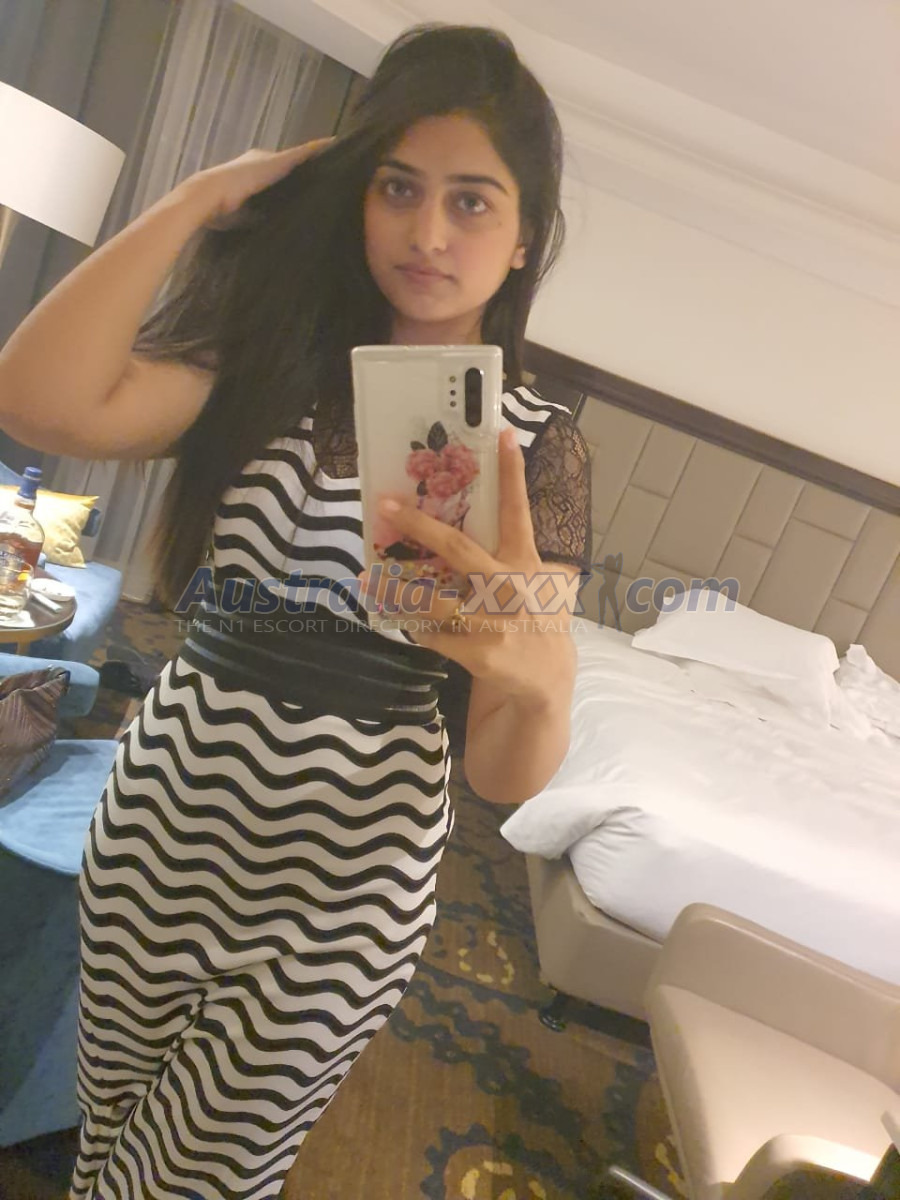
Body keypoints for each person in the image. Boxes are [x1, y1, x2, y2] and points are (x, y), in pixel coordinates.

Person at [0, 23, 591, 1200]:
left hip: (342, 893)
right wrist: (201, 199)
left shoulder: (534, 447)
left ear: (526, 236)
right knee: (106, 1139)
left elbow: (505, 776)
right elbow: (36, 397)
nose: (429, 232)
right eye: (398, 188)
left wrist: (538, 680)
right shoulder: (266, 366)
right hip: (162, 826)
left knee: (192, 1183)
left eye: (472, 201)